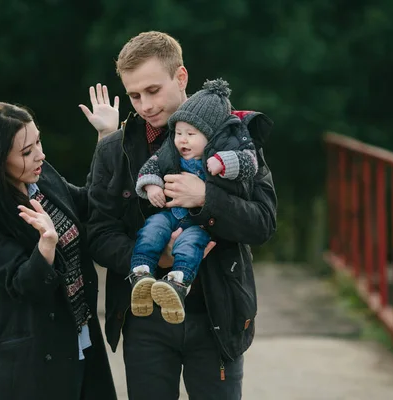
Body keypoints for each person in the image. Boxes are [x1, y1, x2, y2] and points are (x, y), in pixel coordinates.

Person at [82, 31, 277, 399]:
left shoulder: (238, 139)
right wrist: (159, 255)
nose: (144, 105)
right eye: (134, 95)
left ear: (181, 77)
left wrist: (207, 197)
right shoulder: (113, 150)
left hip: (217, 313)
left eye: (153, 90)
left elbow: (263, 222)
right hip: (143, 318)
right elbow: (99, 234)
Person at [0, 101, 117, 400]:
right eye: (26, 152)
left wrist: (106, 141)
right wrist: (46, 245)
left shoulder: (40, 177)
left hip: (82, 332)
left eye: (38, 141)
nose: (40, 155)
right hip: (37, 355)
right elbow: (22, 285)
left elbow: (87, 204)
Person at [130, 78, 260, 325]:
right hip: (170, 213)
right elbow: (152, 166)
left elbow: (248, 164)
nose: (182, 141)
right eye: (178, 133)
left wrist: (223, 163)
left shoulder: (227, 150)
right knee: (151, 229)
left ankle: (178, 283)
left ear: (211, 138)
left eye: (191, 134)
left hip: (197, 223)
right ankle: (141, 273)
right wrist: (150, 185)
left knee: (190, 245)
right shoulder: (171, 152)